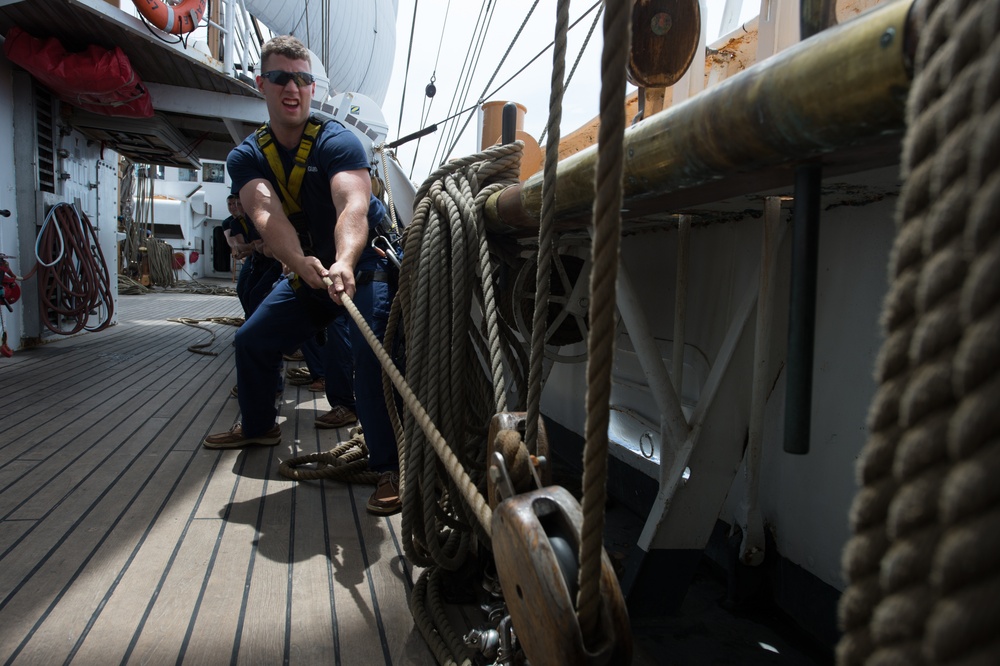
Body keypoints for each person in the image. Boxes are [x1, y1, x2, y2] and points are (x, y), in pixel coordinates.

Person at [203, 34, 401, 515]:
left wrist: (345, 261)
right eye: (280, 78)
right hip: (309, 267)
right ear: (262, 84)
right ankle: (257, 423)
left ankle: (389, 466)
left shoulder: (337, 141)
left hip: (363, 263)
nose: (292, 87)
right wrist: (299, 265)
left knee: (372, 360)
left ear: (312, 88)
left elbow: (352, 204)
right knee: (252, 340)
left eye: (303, 79)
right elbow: (267, 218)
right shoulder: (247, 157)